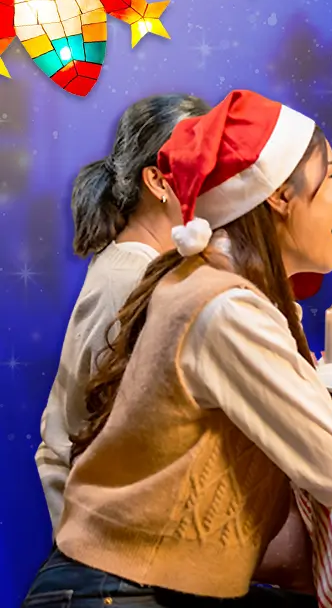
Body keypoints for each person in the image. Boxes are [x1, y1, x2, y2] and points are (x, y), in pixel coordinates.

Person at [23, 90, 332, 608]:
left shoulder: (204, 281)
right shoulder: (223, 305)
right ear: (278, 196)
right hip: (119, 590)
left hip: (134, 578)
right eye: (330, 177)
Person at [37, 94, 210, 530]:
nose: (221, 176)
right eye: (205, 158)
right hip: (108, 544)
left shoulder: (149, 266)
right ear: (158, 181)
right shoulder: (131, 281)